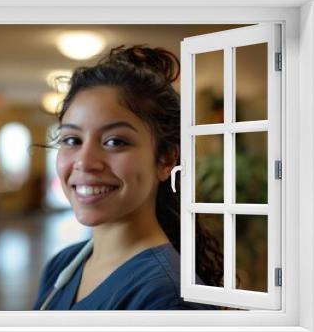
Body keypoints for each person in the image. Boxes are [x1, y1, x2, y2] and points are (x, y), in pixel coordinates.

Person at [33, 45, 223, 310]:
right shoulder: (63, 265)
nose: (85, 162)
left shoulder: (168, 300)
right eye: (72, 139)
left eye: (114, 141)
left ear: (166, 159)